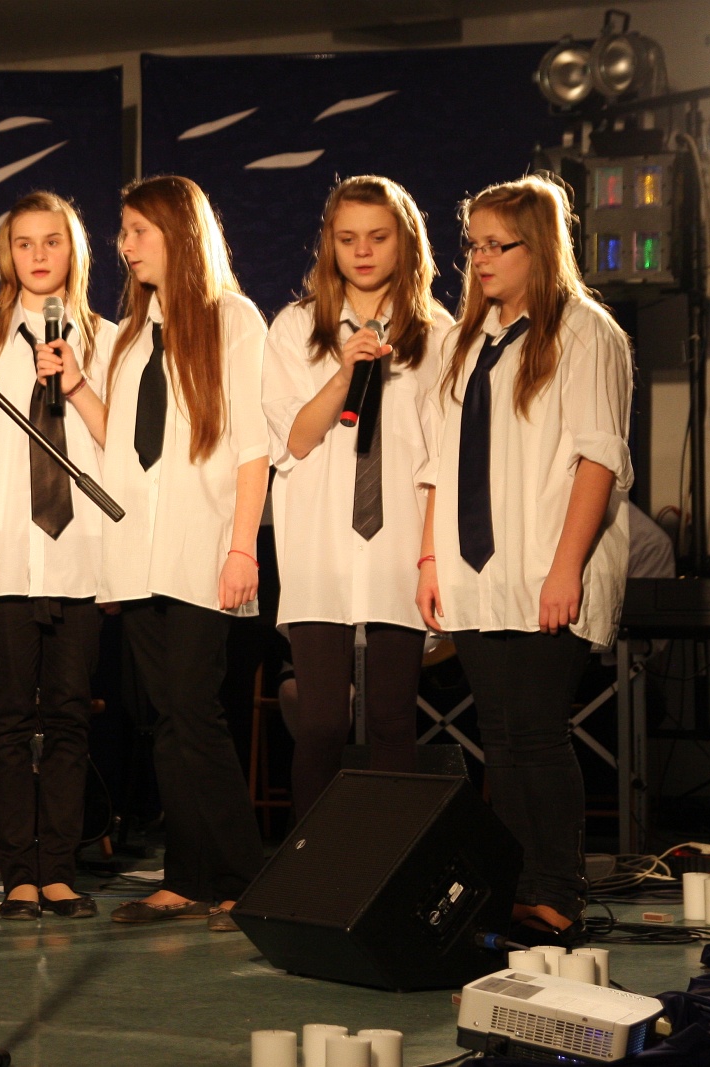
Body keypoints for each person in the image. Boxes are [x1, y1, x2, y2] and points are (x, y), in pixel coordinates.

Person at [416, 174, 632, 944]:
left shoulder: (585, 332)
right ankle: (515, 886)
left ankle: (557, 891)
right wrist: (429, 559)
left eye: (495, 245)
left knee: (538, 732)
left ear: (536, 247)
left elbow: (598, 458)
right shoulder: (466, 340)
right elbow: (440, 461)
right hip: (478, 570)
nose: (479, 258)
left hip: (546, 563)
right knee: (500, 737)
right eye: (472, 244)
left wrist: (566, 566)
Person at [93, 175, 268, 932]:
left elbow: (253, 447)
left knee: (196, 711)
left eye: (139, 231)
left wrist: (242, 548)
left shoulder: (233, 319)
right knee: (164, 717)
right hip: (140, 551)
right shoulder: (133, 334)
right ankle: (186, 875)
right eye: (124, 231)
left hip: (203, 546)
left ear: (180, 234)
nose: (125, 245)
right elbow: (122, 446)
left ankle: (242, 877)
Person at [262, 175, 449, 822]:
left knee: (394, 718)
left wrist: (431, 556)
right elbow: (295, 438)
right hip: (321, 545)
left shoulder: (439, 333)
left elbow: (440, 458)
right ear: (329, 244)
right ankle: (312, 864)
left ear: (405, 241)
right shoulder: (296, 327)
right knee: (321, 721)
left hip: (400, 542)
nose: (362, 252)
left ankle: (389, 864)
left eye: (377, 237)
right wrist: (344, 372)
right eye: (347, 239)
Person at [0, 190, 118, 921]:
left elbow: (124, 449)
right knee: (10, 717)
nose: (39, 255)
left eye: (53, 241)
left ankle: (60, 869)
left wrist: (76, 383)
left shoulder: (111, 340)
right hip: (7, 552)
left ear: (73, 251)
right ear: (8, 254)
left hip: (82, 555)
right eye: (25, 243)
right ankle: (17, 870)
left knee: (72, 717)